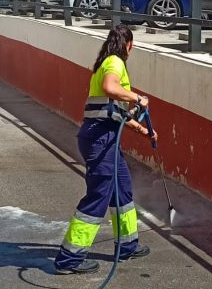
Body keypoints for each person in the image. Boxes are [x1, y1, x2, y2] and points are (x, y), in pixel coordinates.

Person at [54, 25, 154, 274]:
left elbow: (112, 111)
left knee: (122, 189)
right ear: (128, 45)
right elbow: (111, 87)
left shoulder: (105, 62)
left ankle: (128, 245)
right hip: (100, 138)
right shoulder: (115, 62)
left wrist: (143, 131)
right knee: (99, 195)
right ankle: (69, 258)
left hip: (104, 136)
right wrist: (137, 98)